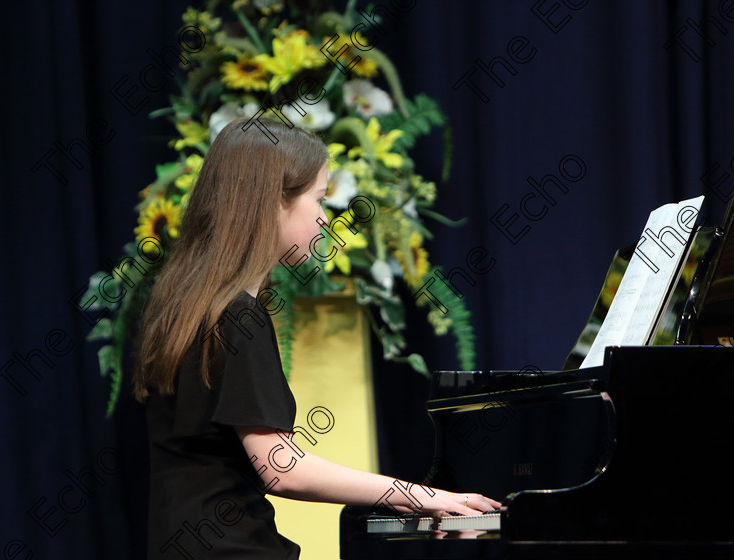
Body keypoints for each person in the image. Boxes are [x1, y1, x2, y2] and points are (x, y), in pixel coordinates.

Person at [133, 118, 501, 559]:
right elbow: (281, 468)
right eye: (319, 200)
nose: (326, 218)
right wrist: (425, 496)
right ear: (272, 202)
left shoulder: (178, 303)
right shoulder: (237, 315)